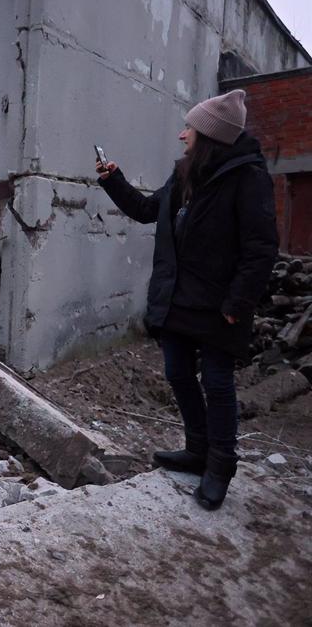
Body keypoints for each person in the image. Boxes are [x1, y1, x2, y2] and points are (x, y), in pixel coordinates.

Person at [96, 89, 278, 510]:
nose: (182, 135)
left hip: (220, 306)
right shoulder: (185, 175)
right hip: (178, 298)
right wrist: (113, 180)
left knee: (216, 384)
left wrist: (238, 303)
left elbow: (261, 247)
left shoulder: (248, 178)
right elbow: (146, 211)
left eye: (190, 129)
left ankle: (220, 466)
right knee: (178, 374)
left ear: (210, 135)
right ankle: (197, 450)